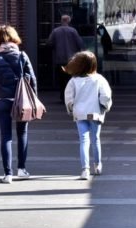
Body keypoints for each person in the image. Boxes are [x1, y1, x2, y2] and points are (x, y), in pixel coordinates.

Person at [0, 24, 38, 184]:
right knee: (22, 134)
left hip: (2, 100)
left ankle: (8, 174)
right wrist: (34, 98)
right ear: (15, 39)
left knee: (5, 136)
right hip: (21, 101)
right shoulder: (22, 56)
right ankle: (22, 169)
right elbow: (32, 79)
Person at [63, 50, 113, 180]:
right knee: (96, 139)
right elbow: (106, 96)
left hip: (80, 113)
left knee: (83, 140)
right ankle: (97, 165)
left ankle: (85, 169)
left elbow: (68, 97)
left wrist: (72, 108)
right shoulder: (99, 79)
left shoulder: (73, 81)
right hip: (95, 112)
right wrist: (104, 106)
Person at [47, 15, 84, 99]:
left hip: (60, 59)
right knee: (71, 78)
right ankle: (70, 96)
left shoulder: (55, 31)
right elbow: (80, 43)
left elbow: (49, 43)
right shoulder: (73, 31)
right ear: (69, 21)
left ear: (61, 21)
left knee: (61, 78)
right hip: (72, 59)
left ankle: (63, 95)